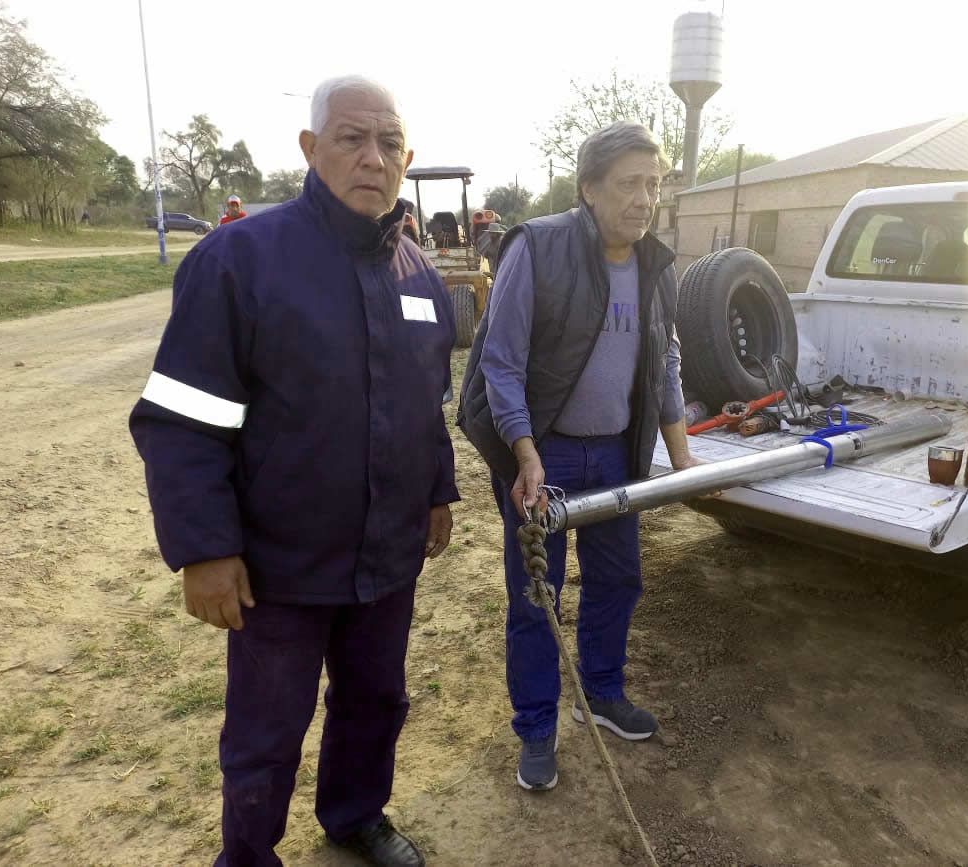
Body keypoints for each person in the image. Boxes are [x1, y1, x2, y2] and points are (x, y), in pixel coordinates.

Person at [130, 75, 457, 867]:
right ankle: (247, 854)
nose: (371, 158)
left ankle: (354, 814)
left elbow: (426, 401)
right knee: (267, 730)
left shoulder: (419, 274)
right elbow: (179, 420)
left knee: (376, 700)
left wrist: (438, 491)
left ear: (406, 158)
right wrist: (205, 548)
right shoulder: (239, 261)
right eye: (351, 138)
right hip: (278, 563)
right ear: (311, 149)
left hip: (387, 552)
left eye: (388, 143)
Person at [458, 121, 700, 791]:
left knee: (619, 581)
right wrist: (524, 453)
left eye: (654, 185)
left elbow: (666, 360)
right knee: (538, 595)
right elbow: (500, 363)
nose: (644, 199)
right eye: (628, 184)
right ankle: (536, 728)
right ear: (590, 188)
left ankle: (601, 690)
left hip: (620, 452)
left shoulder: (657, 264)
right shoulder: (538, 249)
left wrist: (681, 461)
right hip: (548, 453)